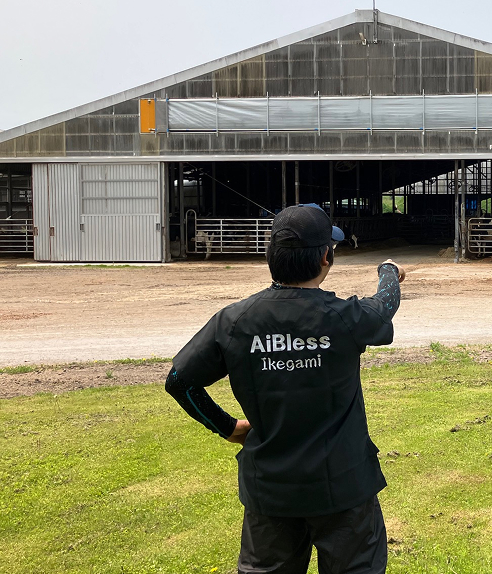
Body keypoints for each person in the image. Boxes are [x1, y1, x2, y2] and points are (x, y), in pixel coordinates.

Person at [165, 203, 405, 574]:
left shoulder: (234, 321)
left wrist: (228, 427)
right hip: (345, 488)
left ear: (270, 256)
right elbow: (385, 304)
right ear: (326, 256)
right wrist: (388, 270)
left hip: (271, 492)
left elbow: (180, 382)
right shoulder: (345, 317)